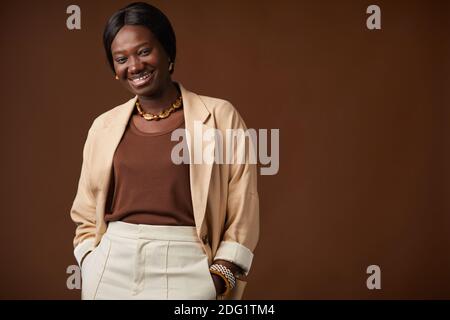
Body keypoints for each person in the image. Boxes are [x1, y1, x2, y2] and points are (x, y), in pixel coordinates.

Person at [70, 2, 259, 300]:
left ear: (168, 52)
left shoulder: (221, 116)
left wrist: (222, 273)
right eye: (121, 58)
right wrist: (89, 259)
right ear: (115, 69)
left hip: (189, 266)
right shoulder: (103, 126)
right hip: (110, 267)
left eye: (144, 51)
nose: (134, 66)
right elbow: (85, 208)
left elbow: (242, 199)